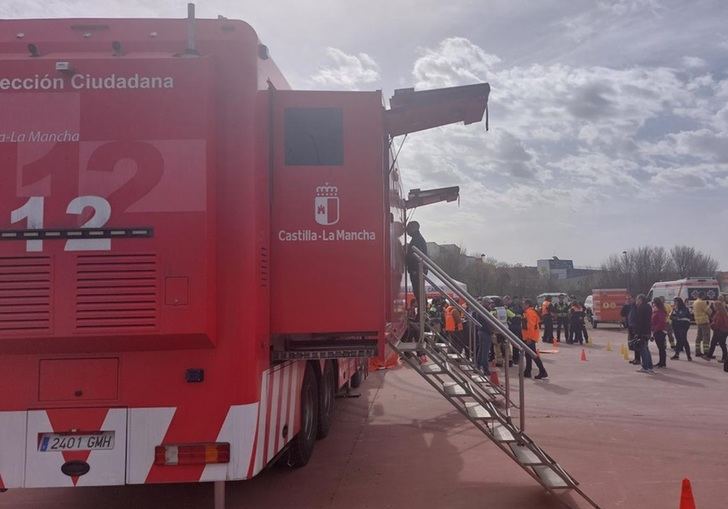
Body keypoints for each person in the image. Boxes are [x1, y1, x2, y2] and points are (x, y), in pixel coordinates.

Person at [405, 221, 427, 317]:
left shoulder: (417, 240)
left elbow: (413, 256)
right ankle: (422, 314)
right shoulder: (418, 239)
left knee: (418, 292)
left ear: (414, 228)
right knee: (419, 292)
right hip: (418, 270)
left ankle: (421, 315)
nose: (406, 231)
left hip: (416, 270)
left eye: (408, 228)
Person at [522, 299, 548, 379]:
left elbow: (530, 326)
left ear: (527, 304)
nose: (523, 306)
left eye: (524, 304)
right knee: (528, 355)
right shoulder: (531, 312)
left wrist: (529, 338)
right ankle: (528, 371)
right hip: (530, 336)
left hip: (530, 337)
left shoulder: (529, 313)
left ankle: (542, 371)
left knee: (533, 354)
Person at [704, 300, 728, 364]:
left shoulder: (719, 313)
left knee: (717, 343)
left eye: (714, 305)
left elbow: (717, 323)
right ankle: (724, 358)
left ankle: (710, 356)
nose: (713, 307)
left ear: (717, 306)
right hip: (723, 330)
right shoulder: (723, 312)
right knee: (720, 344)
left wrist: (711, 325)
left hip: (719, 330)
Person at [635, 294, 654, 374]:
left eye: (637, 300)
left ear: (641, 300)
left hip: (642, 331)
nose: (637, 302)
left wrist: (638, 333)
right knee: (646, 348)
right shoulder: (649, 307)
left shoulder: (641, 308)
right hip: (648, 330)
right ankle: (649, 366)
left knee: (643, 349)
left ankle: (645, 367)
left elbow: (639, 321)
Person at [504, 296, 524, 364]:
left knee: (515, 343)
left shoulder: (515, 307)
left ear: (509, 300)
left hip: (515, 326)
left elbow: (517, 316)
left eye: (506, 301)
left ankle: (516, 358)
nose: (505, 303)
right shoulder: (508, 307)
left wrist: (510, 320)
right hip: (511, 326)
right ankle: (513, 358)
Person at [692, 292, 710, 357]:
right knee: (706, 337)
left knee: (698, 337)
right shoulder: (702, 302)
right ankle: (706, 352)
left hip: (698, 322)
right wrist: (708, 305)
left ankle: (697, 351)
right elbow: (709, 311)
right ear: (702, 296)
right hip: (704, 321)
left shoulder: (695, 302)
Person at [651, 298, 668, 368]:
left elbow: (661, 322)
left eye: (654, 303)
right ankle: (661, 362)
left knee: (661, 348)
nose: (653, 304)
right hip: (656, 331)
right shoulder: (656, 311)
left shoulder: (660, 311)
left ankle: (662, 363)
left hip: (659, 331)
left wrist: (655, 329)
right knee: (660, 348)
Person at [627, 297, 640, 364]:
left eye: (630, 299)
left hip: (635, 327)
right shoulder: (631, 306)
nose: (628, 300)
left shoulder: (636, 306)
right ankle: (636, 358)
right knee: (634, 344)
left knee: (637, 344)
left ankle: (638, 359)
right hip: (631, 326)